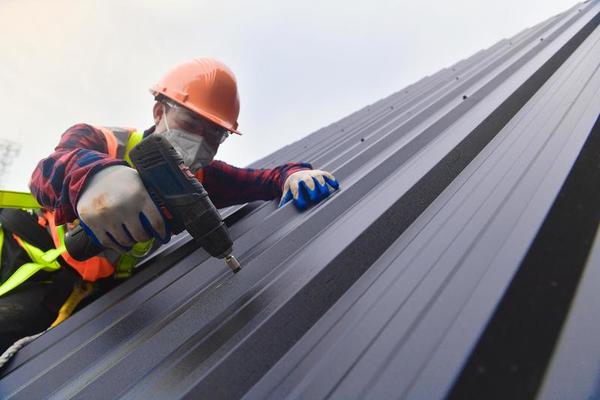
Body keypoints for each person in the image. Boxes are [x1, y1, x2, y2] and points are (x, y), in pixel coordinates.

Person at [0, 57, 338, 356]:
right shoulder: (103, 141)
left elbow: (266, 179)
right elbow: (46, 173)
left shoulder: (200, 179)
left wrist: (294, 175)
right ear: (159, 110)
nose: (202, 143)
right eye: (191, 124)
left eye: (215, 135)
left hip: (84, 298)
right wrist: (95, 176)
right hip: (23, 256)